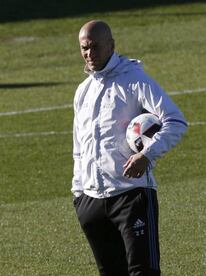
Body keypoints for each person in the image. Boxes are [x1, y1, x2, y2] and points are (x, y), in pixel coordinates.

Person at [71, 20, 188, 276]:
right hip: (91, 202)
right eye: (84, 48)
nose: (89, 54)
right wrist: (78, 194)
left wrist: (146, 155)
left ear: (111, 45)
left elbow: (176, 121)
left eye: (95, 47)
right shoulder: (83, 91)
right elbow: (79, 147)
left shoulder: (135, 79)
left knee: (142, 272)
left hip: (131, 196)